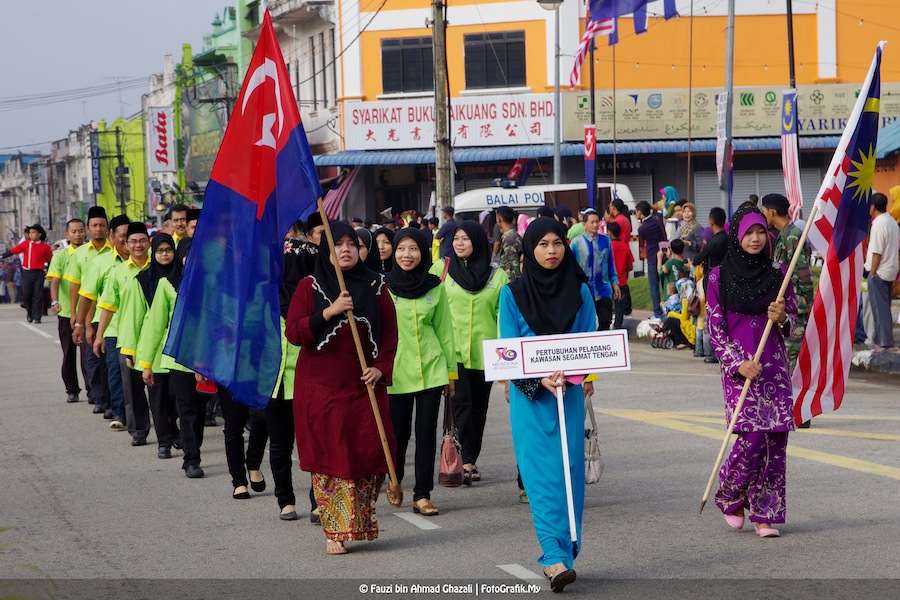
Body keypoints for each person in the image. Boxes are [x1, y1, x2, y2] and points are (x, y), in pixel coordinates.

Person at [285, 222, 399, 555]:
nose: (346, 249)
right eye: (338, 244)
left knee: (368, 451)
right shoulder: (309, 286)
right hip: (321, 389)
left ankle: (358, 523)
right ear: (327, 250)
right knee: (331, 455)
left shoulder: (377, 286)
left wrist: (381, 368)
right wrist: (330, 311)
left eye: (352, 244)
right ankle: (334, 530)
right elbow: (294, 332)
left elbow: (390, 335)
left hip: (364, 385)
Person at [499, 217, 596, 593]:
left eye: (557, 243)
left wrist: (577, 377)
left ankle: (568, 548)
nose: (551, 251)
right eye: (543, 244)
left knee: (568, 470)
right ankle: (553, 556)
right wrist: (536, 378)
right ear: (529, 250)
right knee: (540, 477)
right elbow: (508, 346)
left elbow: (588, 341)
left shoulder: (580, 291)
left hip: (567, 394)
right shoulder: (512, 293)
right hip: (531, 399)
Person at [706, 206, 798, 538]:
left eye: (760, 231)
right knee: (752, 437)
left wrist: (782, 317)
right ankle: (730, 495)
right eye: (748, 233)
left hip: (774, 368)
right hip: (741, 369)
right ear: (737, 236)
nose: (756, 239)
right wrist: (737, 363)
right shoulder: (717, 277)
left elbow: (793, 322)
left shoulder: (779, 273)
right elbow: (715, 329)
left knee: (775, 440)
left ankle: (765, 514)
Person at [385, 228, 457, 517]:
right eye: (401, 249)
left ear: (424, 253)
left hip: (432, 369)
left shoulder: (435, 287)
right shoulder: (383, 287)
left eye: (413, 249)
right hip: (395, 372)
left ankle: (422, 494)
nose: (407, 255)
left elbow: (445, 332)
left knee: (426, 433)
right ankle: (394, 478)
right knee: (398, 434)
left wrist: (451, 374)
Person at [435, 221, 509, 485]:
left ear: (477, 241)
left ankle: (471, 457)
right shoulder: (441, 270)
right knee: (461, 404)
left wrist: (505, 357)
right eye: (456, 238)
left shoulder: (497, 277)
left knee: (479, 408)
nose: (459, 243)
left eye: (465, 238)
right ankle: (462, 459)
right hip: (452, 351)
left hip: (486, 352)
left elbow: (502, 316)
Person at [138, 238, 208, 478]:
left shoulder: (211, 284)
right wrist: (146, 363)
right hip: (178, 359)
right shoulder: (167, 284)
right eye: (187, 254)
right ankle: (191, 459)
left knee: (200, 410)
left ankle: (194, 446)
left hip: (205, 359)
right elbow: (155, 325)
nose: (191, 259)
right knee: (187, 410)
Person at [120, 233, 181, 459]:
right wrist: (130, 350)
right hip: (151, 349)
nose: (164, 255)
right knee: (157, 399)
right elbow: (134, 316)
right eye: (160, 251)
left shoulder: (183, 277)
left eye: (168, 250)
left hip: (176, 350)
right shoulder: (142, 280)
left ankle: (174, 430)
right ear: (153, 253)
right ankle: (164, 442)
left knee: (176, 398)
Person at [95, 222, 153, 444]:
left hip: (157, 338)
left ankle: (169, 433)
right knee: (132, 388)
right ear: (126, 244)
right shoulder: (118, 273)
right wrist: (99, 335)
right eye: (133, 241)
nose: (138, 245)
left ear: (149, 242)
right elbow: (108, 306)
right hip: (129, 338)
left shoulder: (158, 267)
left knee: (162, 389)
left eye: (142, 241)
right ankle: (138, 430)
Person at [74, 214, 131, 422]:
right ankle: (119, 412)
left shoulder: (148, 260)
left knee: (137, 374)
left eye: (130, 236)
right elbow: (87, 296)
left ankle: (139, 412)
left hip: (139, 327)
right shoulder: (101, 262)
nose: (127, 241)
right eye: (122, 236)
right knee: (115, 370)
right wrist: (82, 325)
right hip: (111, 327)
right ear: (112, 236)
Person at [66, 206, 112, 409]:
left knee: (110, 360)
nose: (98, 229)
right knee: (91, 357)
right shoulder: (80, 254)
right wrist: (75, 315)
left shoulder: (115, 250)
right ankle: (98, 397)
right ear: (88, 228)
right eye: (94, 225)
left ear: (107, 227)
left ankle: (111, 399)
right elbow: (75, 286)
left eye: (102, 225)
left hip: (110, 312)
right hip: (88, 312)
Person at [46, 219, 86, 402]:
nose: (78, 234)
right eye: (74, 231)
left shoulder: (90, 253)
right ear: (67, 234)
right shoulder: (60, 256)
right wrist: (55, 301)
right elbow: (54, 280)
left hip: (88, 312)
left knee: (89, 355)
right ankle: (72, 389)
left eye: (80, 231)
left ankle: (94, 391)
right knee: (69, 353)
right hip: (66, 313)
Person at [570, 208, 619, 330]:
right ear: (584, 224)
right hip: (584, 290)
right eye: (592, 222)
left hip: (603, 289)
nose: (595, 225)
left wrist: (615, 282)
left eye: (597, 222)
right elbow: (570, 267)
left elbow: (610, 263)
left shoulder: (606, 241)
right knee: (586, 323)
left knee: (605, 322)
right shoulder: (576, 243)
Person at [865, 192, 899, 351]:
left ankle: (884, 342)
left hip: (879, 271)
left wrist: (872, 273)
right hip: (890, 270)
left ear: (873, 207)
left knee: (880, 309)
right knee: (883, 307)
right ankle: (881, 340)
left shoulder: (878, 224)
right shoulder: (892, 222)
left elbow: (876, 251)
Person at [694, 207, 728, 364]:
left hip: (713, 281)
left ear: (711, 221)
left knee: (714, 315)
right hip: (728, 279)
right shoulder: (728, 240)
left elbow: (697, 259)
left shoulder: (713, 242)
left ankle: (715, 351)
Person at [2, 224, 53, 324]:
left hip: (39, 273)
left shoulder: (45, 247)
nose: (31, 234)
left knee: (38, 295)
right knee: (27, 295)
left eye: (33, 232)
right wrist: (2, 256)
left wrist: (50, 273)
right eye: (30, 233)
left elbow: (50, 260)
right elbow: (14, 250)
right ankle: (29, 313)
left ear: (39, 234)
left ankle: (37, 316)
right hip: (27, 272)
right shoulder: (26, 244)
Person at [635, 200, 667, 320]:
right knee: (665, 284)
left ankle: (657, 312)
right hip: (664, 254)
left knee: (654, 285)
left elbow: (642, 239)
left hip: (653, 257)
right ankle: (669, 308)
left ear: (640, 212)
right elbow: (659, 210)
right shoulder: (658, 219)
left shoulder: (642, 228)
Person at [607, 221, 633, 329]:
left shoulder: (607, 246)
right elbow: (630, 266)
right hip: (621, 281)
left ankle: (606, 325)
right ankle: (618, 327)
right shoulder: (625, 246)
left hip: (608, 281)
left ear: (610, 232)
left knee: (607, 305)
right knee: (619, 307)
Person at [496, 206, 523, 281]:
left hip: (511, 281)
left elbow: (514, 265)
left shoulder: (509, 238)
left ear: (499, 218)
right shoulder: (514, 235)